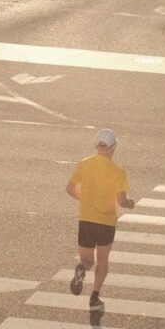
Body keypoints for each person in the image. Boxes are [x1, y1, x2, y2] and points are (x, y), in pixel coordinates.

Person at [66, 128, 133, 311]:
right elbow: (121, 201)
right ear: (113, 148)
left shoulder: (84, 164)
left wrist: (85, 198)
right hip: (106, 222)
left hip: (86, 220)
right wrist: (130, 204)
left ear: (96, 146)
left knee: (87, 260)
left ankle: (81, 269)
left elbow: (70, 189)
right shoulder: (119, 172)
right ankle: (95, 297)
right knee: (102, 260)